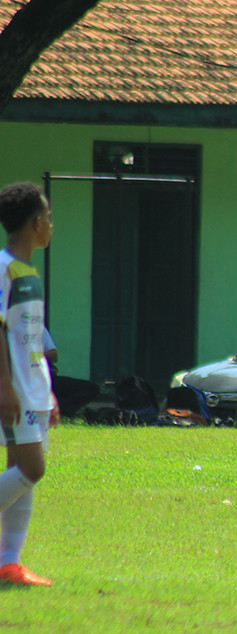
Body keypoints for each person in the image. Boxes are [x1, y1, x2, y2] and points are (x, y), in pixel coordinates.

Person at [0, 182, 59, 586]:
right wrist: (5, 385)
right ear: (37, 222)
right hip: (15, 389)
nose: (52, 225)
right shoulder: (4, 267)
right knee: (31, 469)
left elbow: (32, 340)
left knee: (18, 472)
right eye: (49, 217)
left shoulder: (30, 271)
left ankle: (9, 563)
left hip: (32, 388)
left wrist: (47, 390)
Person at [43, 328, 100, 418]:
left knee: (92, 388)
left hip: (48, 378)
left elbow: (54, 355)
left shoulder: (40, 330)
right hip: (29, 381)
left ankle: (60, 410)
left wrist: (34, 356)